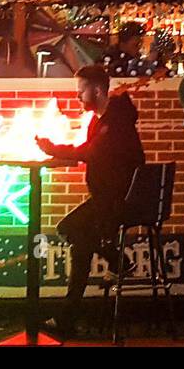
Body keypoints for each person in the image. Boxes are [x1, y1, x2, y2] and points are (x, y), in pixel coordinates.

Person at [35, 63, 146, 337]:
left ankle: (117, 261)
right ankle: (68, 318)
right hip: (108, 198)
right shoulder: (103, 119)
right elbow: (92, 153)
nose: (77, 97)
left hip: (119, 200)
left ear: (96, 90)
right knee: (80, 241)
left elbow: (91, 152)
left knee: (69, 229)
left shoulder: (115, 120)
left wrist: (53, 149)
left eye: (80, 91)